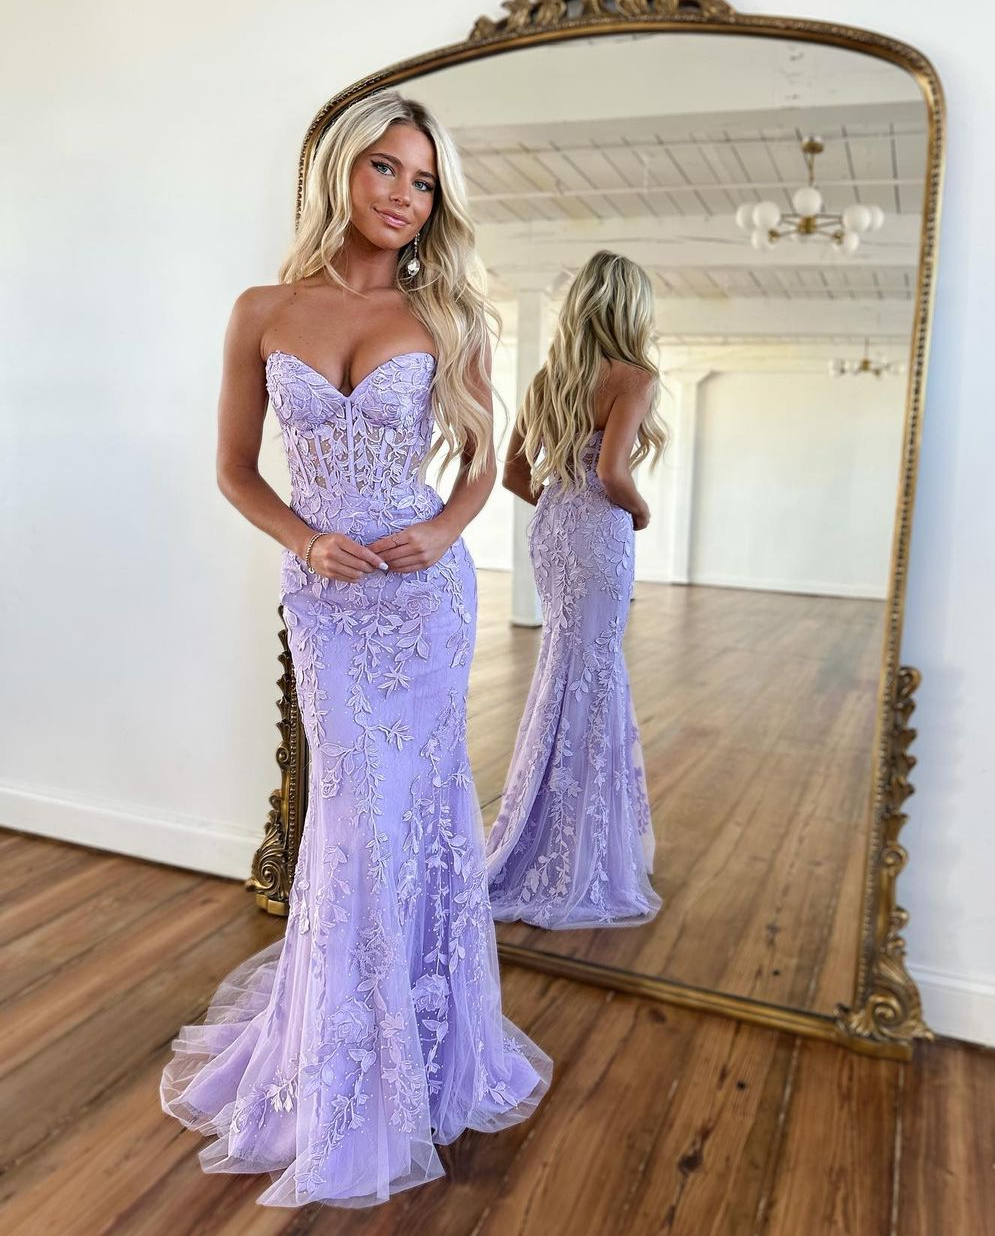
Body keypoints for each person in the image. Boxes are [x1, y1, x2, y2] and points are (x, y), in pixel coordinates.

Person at [159, 88, 551, 1209]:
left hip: (422, 600)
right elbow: (235, 469)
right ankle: (339, 1063)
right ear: (341, 169)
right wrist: (304, 539)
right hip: (327, 602)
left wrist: (442, 531)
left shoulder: (448, 319)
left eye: (423, 182)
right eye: (385, 167)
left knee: (414, 812)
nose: (403, 196)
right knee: (353, 817)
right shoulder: (261, 311)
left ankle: (421, 1045)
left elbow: (480, 466)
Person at [484, 251, 667, 929]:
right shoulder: (635, 377)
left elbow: (512, 473)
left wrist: (559, 507)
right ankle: (582, 848)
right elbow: (615, 473)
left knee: (562, 669)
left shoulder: (549, 377)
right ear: (631, 308)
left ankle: (542, 831)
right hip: (600, 532)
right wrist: (639, 513)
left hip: (555, 529)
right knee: (594, 673)